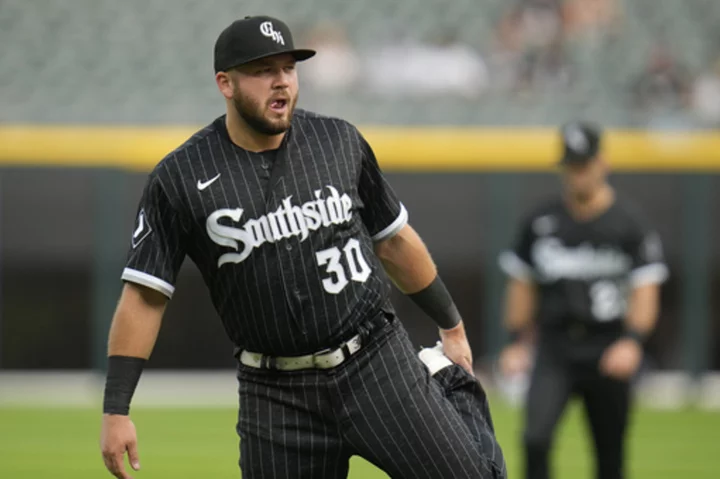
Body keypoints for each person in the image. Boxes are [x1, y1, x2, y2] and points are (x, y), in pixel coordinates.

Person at [99, 15, 506, 479]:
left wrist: (451, 325)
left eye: (288, 68)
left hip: (375, 363)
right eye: (262, 70)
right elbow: (145, 296)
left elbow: (393, 240)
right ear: (225, 83)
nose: (281, 82)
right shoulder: (180, 178)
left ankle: (450, 391)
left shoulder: (338, 141)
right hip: (275, 395)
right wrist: (116, 408)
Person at [497, 120, 668, 479]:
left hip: (607, 346)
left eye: (583, 165)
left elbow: (645, 289)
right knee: (535, 440)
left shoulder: (628, 223)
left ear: (602, 163)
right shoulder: (541, 221)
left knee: (610, 455)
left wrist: (632, 342)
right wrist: (516, 341)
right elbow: (521, 285)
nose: (577, 175)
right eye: (570, 167)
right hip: (555, 347)